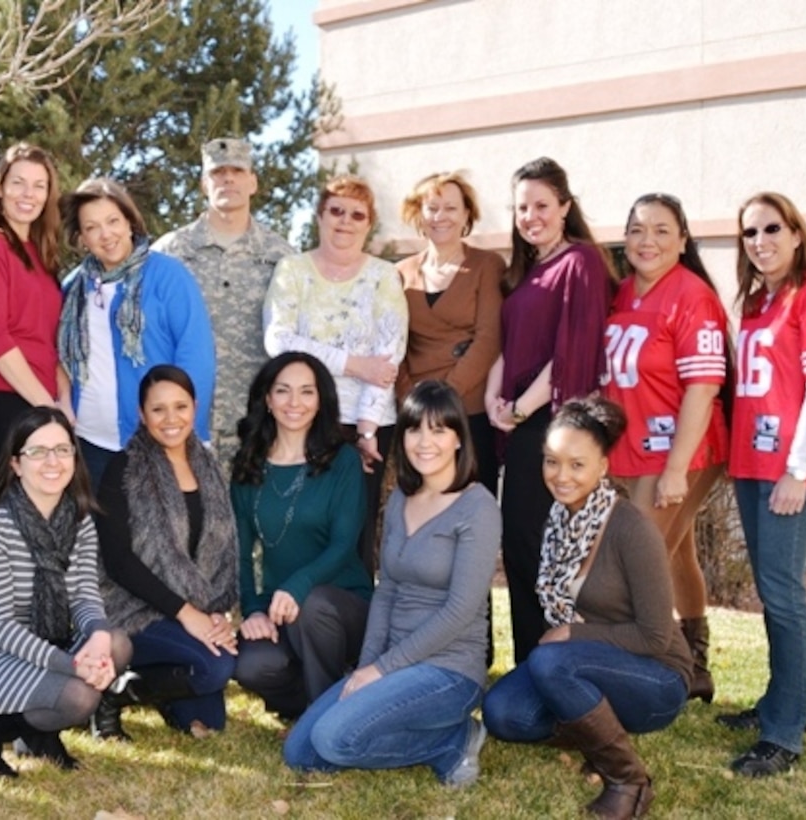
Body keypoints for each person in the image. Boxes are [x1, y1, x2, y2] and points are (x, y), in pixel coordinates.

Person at [283, 380, 501, 787]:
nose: (424, 442)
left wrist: (382, 669)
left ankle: (453, 739)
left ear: (458, 439)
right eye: (415, 429)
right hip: (393, 665)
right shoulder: (402, 497)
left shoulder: (478, 507)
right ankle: (428, 733)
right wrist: (367, 666)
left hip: (448, 670)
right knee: (300, 753)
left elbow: (461, 610)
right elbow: (387, 590)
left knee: (333, 741)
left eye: (439, 430)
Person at [482, 397, 692, 819]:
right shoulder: (558, 521)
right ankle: (596, 736)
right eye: (551, 462)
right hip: (584, 665)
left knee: (550, 662)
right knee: (503, 713)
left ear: (603, 467)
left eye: (577, 465)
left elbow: (655, 636)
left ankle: (629, 779)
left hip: (655, 678)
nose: (561, 476)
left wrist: (574, 636)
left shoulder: (632, 530)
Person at [0, 408, 132, 777]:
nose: (52, 461)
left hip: (39, 645)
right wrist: (73, 666)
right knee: (79, 695)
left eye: (62, 449)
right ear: (15, 464)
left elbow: (85, 595)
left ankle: (39, 734)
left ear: (75, 457)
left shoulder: (80, 522)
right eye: (37, 452)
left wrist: (99, 639)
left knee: (117, 644)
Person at [716, 193, 806, 777]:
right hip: (751, 464)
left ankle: (784, 734)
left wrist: (799, 468)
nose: (759, 240)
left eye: (771, 228)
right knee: (771, 591)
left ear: (795, 233)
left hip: (786, 470)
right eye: (748, 232)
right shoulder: (761, 300)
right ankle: (775, 703)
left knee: (786, 597)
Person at [485, 157, 615, 663]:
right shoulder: (527, 270)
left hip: (552, 425)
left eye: (542, 204)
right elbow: (508, 347)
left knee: (550, 555)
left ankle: (556, 667)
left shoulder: (579, 263)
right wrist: (498, 403)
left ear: (565, 206)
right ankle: (527, 667)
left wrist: (518, 409)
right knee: (518, 550)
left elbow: (570, 355)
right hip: (519, 426)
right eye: (522, 207)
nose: (531, 215)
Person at [602, 193, 729, 703]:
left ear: (682, 239)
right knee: (675, 557)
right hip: (633, 448)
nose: (646, 240)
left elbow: (702, 388)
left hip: (681, 450)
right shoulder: (622, 292)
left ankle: (648, 672)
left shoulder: (692, 295)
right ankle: (695, 665)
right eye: (636, 229)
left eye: (660, 230)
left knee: (637, 557)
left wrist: (677, 467)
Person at [263, 175, 408, 575]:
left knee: (354, 537)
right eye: (336, 211)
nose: (345, 221)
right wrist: (352, 364)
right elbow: (278, 340)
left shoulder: (383, 276)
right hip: (301, 420)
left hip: (367, 423)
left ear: (369, 223)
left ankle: (353, 630)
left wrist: (366, 429)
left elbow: (388, 357)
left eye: (356, 214)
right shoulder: (292, 270)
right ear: (320, 216)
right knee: (301, 530)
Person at [92, 365, 238, 739]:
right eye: (158, 409)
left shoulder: (209, 468)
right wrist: (187, 614)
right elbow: (119, 563)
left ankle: (146, 688)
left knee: (212, 720)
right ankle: (112, 695)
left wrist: (217, 615)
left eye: (181, 406)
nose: (171, 419)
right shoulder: (123, 469)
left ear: (195, 407)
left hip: (194, 605)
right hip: (132, 609)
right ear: (142, 414)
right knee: (214, 669)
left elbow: (221, 549)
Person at [230, 352, 373, 719]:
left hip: (341, 607)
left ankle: (324, 719)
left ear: (321, 400)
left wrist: (298, 585)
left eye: (307, 392)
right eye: (283, 391)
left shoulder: (342, 461)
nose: (295, 403)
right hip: (281, 608)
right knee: (251, 666)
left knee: (313, 606)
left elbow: (344, 545)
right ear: (267, 398)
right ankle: (324, 693)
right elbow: (241, 553)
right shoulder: (248, 464)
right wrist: (252, 609)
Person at [57, 177, 215, 489]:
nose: (106, 234)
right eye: (92, 227)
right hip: (89, 443)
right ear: (81, 238)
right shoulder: (73, 288)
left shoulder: (168, 275)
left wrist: (181, 432)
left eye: (113, 220)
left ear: (130, 221)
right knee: (100, 537)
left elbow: (196, 358)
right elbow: (58, 355)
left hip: (158, 440)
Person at [153, 137, 294, 467]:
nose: (228, 178)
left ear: (252, 182)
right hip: (184, 424)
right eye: (218, 172)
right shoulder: (169, 253)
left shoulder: (282, 257)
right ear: (204, 184)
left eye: (237, 170)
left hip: (257, 423)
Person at [396, 171, 504, 494]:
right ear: (419, 214)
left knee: (471, 509)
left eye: (451, 208)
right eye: (431, 208)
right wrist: (409, 399)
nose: (440, 216)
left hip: (468, 411)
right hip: (417, 414)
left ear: (467, 215)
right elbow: (392, 344)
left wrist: (444, 401)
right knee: (421, 507)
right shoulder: (398, 274)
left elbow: (490, 338)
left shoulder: (488, 265)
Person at [0, 143, 71, 463]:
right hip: (3, 393)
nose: (28, 194)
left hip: (41, 397)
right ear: (0, 189)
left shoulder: (41, 255)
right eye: (18, 183)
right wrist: (46, 408)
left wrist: (63, 400)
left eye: (39, 186)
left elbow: (49, 342)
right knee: (26, 500)